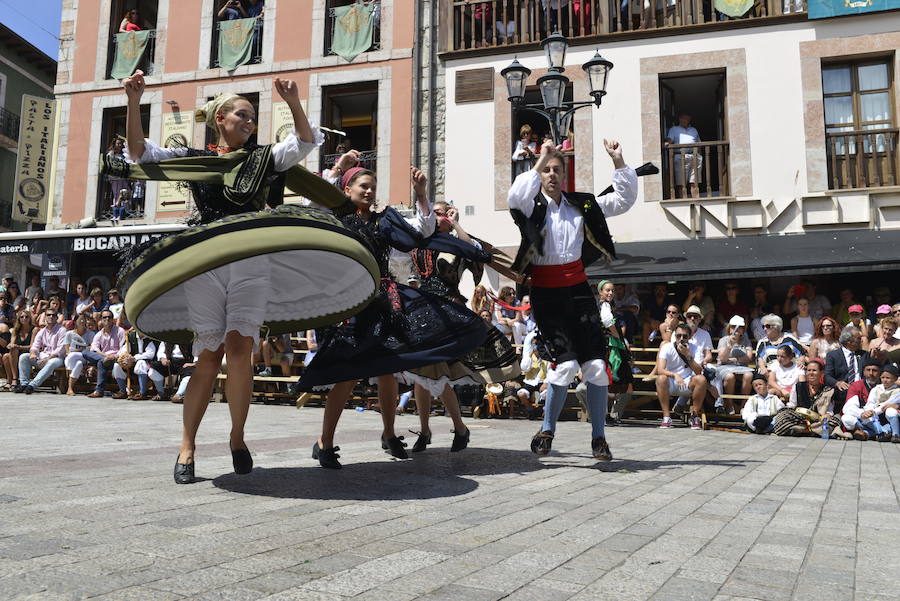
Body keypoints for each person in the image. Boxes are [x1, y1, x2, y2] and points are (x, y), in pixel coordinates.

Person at [111, 71, 377, 484]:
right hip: (204, 264)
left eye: (253, 117)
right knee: (207, 357)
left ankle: (237, 435)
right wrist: (133, 101)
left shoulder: (262, 158)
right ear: (220, 119)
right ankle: (188, 445)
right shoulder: (196, 159)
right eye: (243, 115)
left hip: (251, 264)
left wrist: (292, 102)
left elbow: (304, 144)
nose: (250, 122)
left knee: (241, 349)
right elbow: (141, 154)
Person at [296, 161, 492, 469]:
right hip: (348, 302)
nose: (370, 190)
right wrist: (335, 170)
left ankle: (389, 434)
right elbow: (312, 206)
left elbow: (421, 232)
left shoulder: (384, 220)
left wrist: (422, 193)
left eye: (373, 186)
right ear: (347, 190)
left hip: (382, 303)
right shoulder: (337, 218)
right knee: (346, 375)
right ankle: (325, 442)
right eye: (364, 185)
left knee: (387, 367)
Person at [508, 137, 638, 459]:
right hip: (546, 295)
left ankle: (598, 438)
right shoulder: (531, 206)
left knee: (595, 366)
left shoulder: (583, 204)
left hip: (579, 292)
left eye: (557, 170)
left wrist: (618, 161)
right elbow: (514, 195)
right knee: (564, 366)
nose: (551, 175)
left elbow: (622, 200)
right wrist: (541, 159)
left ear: (565, 176)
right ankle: (547, 429)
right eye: (547, 171)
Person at [404, 200, 520, 453]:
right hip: (423, 311)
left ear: (449, 215)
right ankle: (431, 430)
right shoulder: (421, 243)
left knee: (437, 371)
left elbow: (476, 252)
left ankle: (456, 428)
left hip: (449, 313)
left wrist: (457, 224)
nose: (435, 217)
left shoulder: (457, 244)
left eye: (440, 213)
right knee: (421, 375)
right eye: (432, 213)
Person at [655, 323, 707, 429]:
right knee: (660, 379)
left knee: (701, 380)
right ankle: (666, 417)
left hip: (688, 381)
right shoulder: (667, 347)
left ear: (690, 337)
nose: (681, 338)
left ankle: (695, 415)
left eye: (685, 336)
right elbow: (660, 370)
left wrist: (688, 355)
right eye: (679, 336)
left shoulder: (695, 348)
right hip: (671, 381)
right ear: (675, 336)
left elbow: (698, 371)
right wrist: (675, 375)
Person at [16, 310, 66, 394]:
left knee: (52, 362)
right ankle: (24, 384)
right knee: (24, 357)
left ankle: (32, 385)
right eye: (48, 315)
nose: (51, 317)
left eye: (53, 315)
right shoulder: (42, 331)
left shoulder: (62, 330)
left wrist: (47, 358)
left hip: (57, 358)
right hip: (43, 356)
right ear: (45, 317)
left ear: (56, 318)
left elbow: (60, 350)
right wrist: (33, 353)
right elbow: (35, 345)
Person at [83, 310, 127, 399]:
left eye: (109, 317)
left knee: (100, 363)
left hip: (116, 358)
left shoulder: (119, 331)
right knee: (85, 352)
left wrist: (114, 356)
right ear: (101, 320)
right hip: (104, 358)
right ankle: (99, 390)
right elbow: (94, 348)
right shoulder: (99, 334)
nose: (107, 319)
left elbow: (124, 347)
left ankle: (99, 391)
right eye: (104, 317)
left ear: (113, 319)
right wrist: (105, 356)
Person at [715, 316, 755, 412]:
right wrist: (730, 345)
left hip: (741, 367)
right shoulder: (723, 340)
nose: (736, 329)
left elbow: (748, 358)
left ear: (743, 330)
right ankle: (729, 404)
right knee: (729, 377)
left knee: (749, 375)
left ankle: (744, 405)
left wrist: (732, 359)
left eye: (739, 327)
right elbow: (722, 358)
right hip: (725, 367)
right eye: (733, 327)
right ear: (729, 328)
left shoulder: (746, 341)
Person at [824, 324, 869, 409]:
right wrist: (837, 383)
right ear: (849, 341)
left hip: (862, 392)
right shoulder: (833, 355)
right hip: (843, 393)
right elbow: (827, 376)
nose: (861, 341)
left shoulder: (864, 354)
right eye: (858, 338)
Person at [840, 359, 883, 440]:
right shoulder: (856, 386)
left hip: (879, 418)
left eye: (874, 370)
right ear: (863, 372)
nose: (871, 373)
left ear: (880, 372)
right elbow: (849, 407)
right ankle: (874, 432)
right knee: (846, 418)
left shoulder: (885, 385)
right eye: (868, 370)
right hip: (862, 418)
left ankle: (867, 433)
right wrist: (862, 414)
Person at [664, 111, 702, 199]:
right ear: (679, 119)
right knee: (681, 182)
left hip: (695, 157)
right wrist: (666, 143)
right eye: (683, 118)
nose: (685, 120)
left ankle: (696, 200)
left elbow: (699, 142)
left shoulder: (693, 130)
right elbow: (669, 139)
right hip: (680, 157)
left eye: (687, 118)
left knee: (694, 181)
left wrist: (700, 155)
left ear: (689, 120)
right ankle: (683, 200)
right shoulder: (674, 129)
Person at [860, 363, 900, 443]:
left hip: (889, 416)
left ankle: (896, 435)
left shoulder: (897, 391)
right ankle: (883, 433)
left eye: (888, 378)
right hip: (877, 415)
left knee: (890, 410)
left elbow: (886, 405)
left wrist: (873, 412)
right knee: (863, 416)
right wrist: (869, 410)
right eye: (883, 377)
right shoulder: (876, 389)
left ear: (895, 379)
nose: (885, 380)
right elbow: (870, 402)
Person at [62, 314, 96, 396]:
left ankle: (69, 373)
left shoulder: (90, 334)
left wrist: (79, 350)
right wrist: (81, 349)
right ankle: (70, 388)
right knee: (78, 364)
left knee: (74, 356)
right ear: (75, 322)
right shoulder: (69, 334)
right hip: (71, 358)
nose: (82, 321)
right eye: (80, 320)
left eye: (83, 320)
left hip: (84, 357)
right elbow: (67, 349)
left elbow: (92, 347)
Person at [3, 311, 35, 391]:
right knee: (6, 356)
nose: (24, 319)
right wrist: (10, 345)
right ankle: (9, 380)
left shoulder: (34, 329)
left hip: (28, 352)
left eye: (27, 317)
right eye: (22, 317)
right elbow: (12, 343)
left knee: (14, 350)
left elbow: (32, 346)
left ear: (30, 318)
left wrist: (18, 346)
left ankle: (15, 379)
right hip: (16, 352)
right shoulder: (16, 330)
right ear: (19, 319)